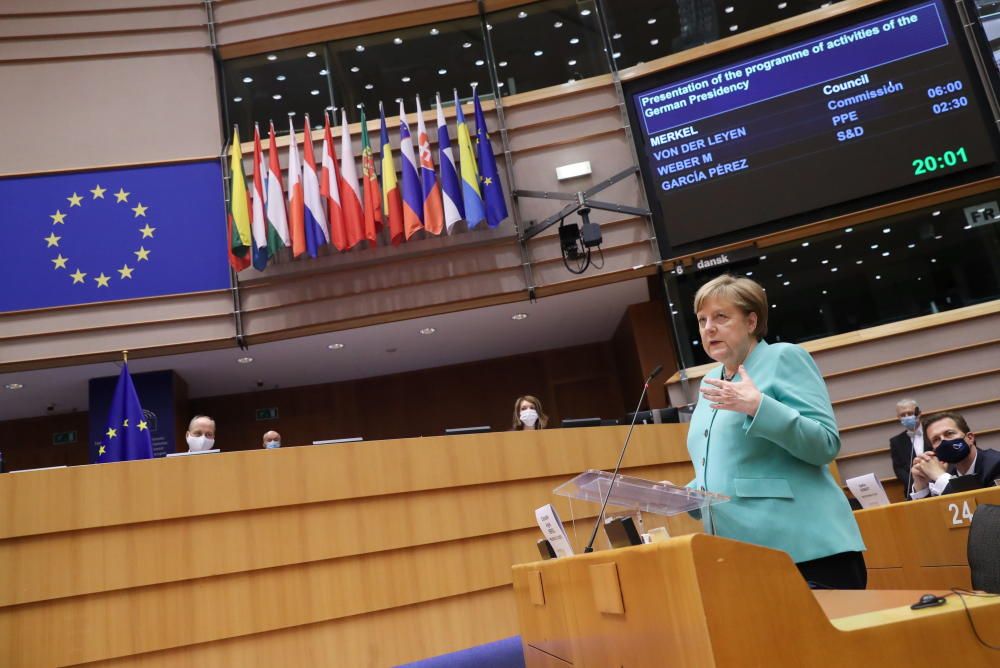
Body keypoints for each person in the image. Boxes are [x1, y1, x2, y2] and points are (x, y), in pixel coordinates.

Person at [687, 274, 866, 589]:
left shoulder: (784, 357)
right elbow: (728, 467)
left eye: (721, 317)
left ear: (751, 321)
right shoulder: (710, 382)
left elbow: (825, 444)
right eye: (702, 320)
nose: (708, 328)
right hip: (742, 557)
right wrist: (682, 496)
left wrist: (759, 407)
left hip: (806, 549)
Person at [909, 411, 1000, 498]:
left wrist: (940, 477)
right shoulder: (942, 471)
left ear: (970, 438)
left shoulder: (996, 464)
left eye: (949, 433)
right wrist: (921, 488)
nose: (944, 441)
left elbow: (979, 509)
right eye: (936, 439)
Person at [889, 398, 924, 499]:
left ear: (919, 413)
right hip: (914, 490)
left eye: (910, 413)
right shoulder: (896, 441)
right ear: (898, 417)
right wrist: (917, 483)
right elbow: (898, 469)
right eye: (903, 415)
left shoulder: (932, 431)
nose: (906, 417)